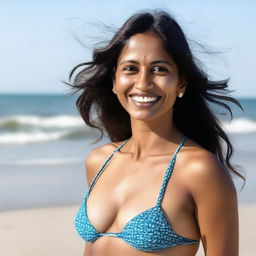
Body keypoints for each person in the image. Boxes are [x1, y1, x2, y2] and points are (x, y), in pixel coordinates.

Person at [69, 10, 244, 256]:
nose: (143, 83)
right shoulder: (99, 161)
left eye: (159, 69)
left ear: (181, 83)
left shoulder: (200, 170)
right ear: (114, 80)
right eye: (130, 68)